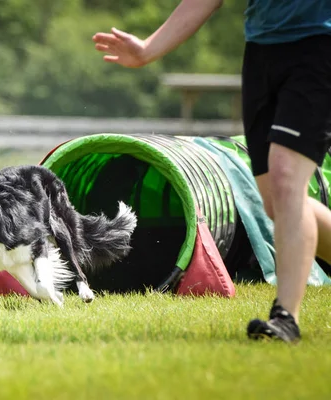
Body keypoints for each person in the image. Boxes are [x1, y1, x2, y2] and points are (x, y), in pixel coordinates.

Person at [93, 0, 331, 343]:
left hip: (319, 47)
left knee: (286, 183)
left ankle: (286, 317)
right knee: (275, 205)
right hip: (262, 53)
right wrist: (147, 49)